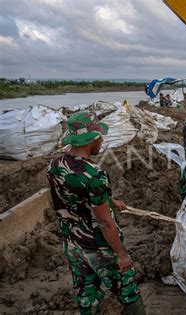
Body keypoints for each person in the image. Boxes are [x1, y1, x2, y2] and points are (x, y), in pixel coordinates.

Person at [47, 112, 145, 315]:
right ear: (90, 139)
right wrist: (121, 254)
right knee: (128, 292)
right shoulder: (95, 175)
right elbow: (105, 222)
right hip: (99, 246)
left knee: (87, 297)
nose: (102, 139)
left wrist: (110, 201)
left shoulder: (55, 165)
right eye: (99, 135)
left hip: (72, 244)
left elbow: (75, 194)